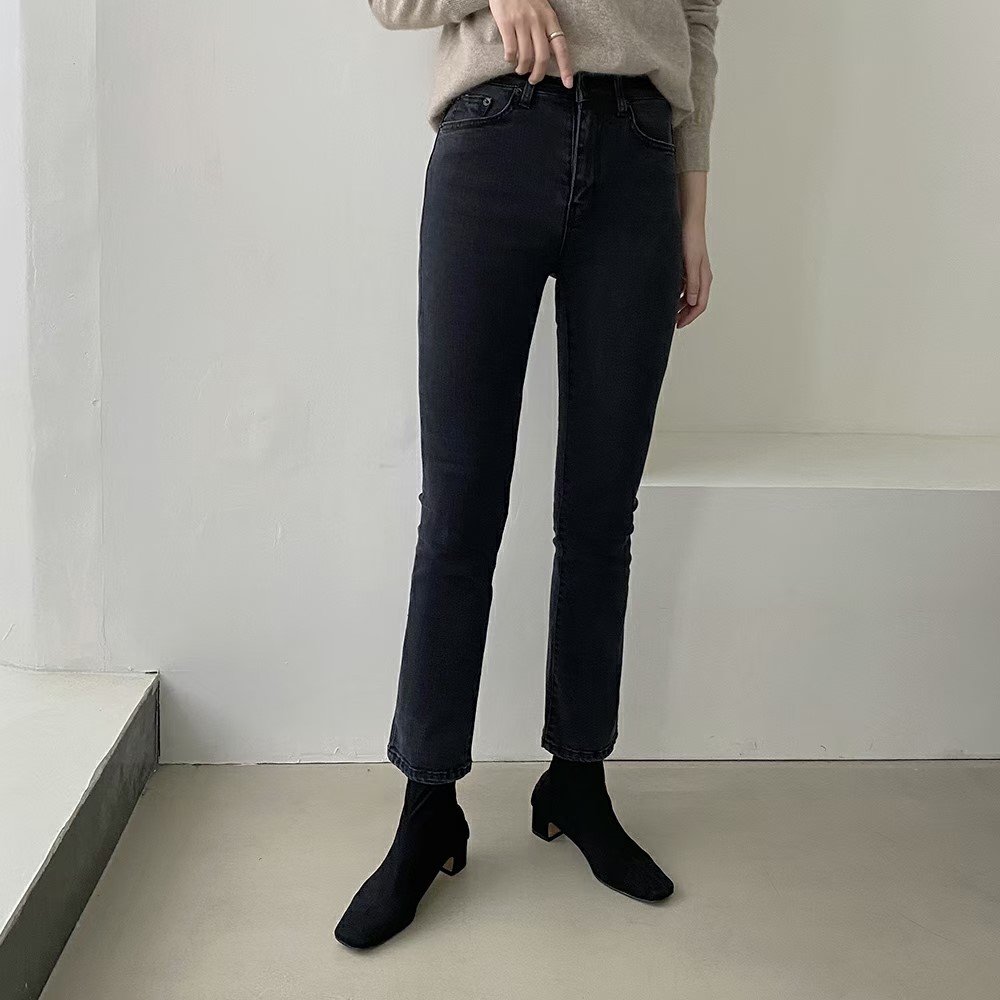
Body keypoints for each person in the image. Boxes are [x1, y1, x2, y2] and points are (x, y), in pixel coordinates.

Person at [335, 0, 722, 949]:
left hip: (640, 154)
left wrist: (693, 210)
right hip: (493, 138)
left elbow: (699, 21)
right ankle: (429, 807)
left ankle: (577, 781)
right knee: (458, 514)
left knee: (600, 514)